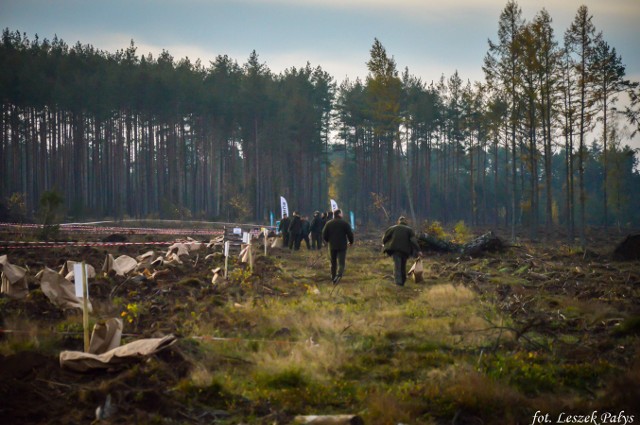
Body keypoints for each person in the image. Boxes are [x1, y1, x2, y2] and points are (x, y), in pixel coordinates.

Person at [382, 216, 421, 286]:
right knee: (403, 266)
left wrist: (386, 244)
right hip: (405, 251)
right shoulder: (409, 230)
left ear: (398, 222)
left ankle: (398, 282)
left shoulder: (392, 228)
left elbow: (384, 238)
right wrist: (418, 250)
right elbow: (413, 241)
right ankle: (402, 281)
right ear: (406, 222)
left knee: (397, 266)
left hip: (395, 250)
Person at [322, 209, 354, 283]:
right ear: (339, 214)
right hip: (342, 246)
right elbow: (350, 234)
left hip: (332, 246)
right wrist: (351, 242)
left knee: (333, 263)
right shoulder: (345, 223)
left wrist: (327, 241)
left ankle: (333, 278)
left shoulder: (328, 223)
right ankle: (339, 275)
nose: (342, 214)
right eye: (342, 213)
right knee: (341, 262)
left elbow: (324, 234)